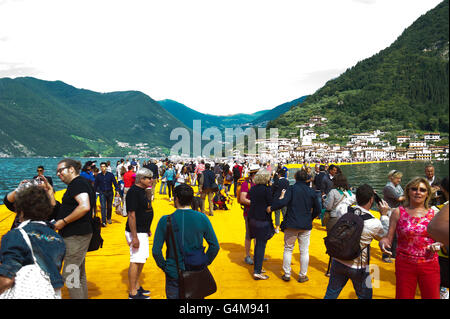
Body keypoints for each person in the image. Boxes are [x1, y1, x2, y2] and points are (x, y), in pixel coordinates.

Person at [152, 184, 220, 299]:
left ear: (176, 199)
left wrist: (165, 266)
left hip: (174, 271)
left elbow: (156, 251)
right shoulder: (202, 217)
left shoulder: (165, 220)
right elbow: (214, 246)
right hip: (196, 269)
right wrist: (205, 261)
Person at [379, 177, 443, 299]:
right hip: (404, 264)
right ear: (408, 191)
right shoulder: (398, 212)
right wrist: (383, 243)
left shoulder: (434, 214)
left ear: (428, 194)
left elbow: (443, 239)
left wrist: (439, 244)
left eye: (422, 190)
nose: (418, 192)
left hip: (430, 264)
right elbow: (388, 238)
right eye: (414, 189)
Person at [323, 184, 389, 299]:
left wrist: (357, 195)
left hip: (338, 260)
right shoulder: (374, 223)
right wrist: (384, 215)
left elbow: (344, 203)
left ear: (357, 197)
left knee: (331, 293)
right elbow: (385, 236)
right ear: (371, 200)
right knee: (365, 296)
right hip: (359, 267)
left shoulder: (344, 211)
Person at [0, 185, 66, 298]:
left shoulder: (16, 235)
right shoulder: (57, 238)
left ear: (20, 211)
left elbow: (7, 279)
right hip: (51, 294)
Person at [53, 158, 95, 299]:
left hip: (76, 236)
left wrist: (63, 222)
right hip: (78, 234)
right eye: (57, 172)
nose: (58, 174)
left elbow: (84, 206)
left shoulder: (77, 183)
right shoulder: (78, 184)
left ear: (71, 169)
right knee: (78, 274)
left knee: (70, 275)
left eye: (60, 170)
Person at [271, 169, 321, 283]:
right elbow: (318, 209)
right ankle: (302, 275)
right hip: (305, 224)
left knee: (288, 249)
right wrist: (310, 217)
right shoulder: (311, 191)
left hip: (292, 223)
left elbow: (283, 202)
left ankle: (287, 274)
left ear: (296, 177)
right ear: (307, 179)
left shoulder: (292, 189)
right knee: (304, 251)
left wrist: (272, 207)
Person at [125, 168, 154, 299]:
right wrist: (134, 236)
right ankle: (132, 292)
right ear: (141, 179)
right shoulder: (133, 192)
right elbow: (131, 215)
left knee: (141, 259)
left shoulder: (143, 191)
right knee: (136, 260)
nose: (151, 180)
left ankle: (136, 286)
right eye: (148, 178)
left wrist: (147, 227)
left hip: (143, 230)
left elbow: (144, 210)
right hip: (136, 232)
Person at [246, 169, 273, 280]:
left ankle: (258, 267)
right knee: (261, 245)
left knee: (258, 245)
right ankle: (257, 271)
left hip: (253, 218)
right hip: (262, 219)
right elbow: (271, 203)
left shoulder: (252, 189)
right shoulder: (267, 190)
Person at [382, 170, 405, 263]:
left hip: (396, 212)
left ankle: (393, 254)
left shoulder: (397, 186)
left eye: (400, 178)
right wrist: (409, 195)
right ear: (392, 178)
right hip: (390, 213)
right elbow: (399, 198)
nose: (399, 180)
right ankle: (386, 255)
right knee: (390, 234)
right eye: (398, 178)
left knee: (395, 235)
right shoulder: (388, 188)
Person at [239, 164, 260, 265]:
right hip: (249, 213)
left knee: (257, 235)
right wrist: (255, 203)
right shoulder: (246, 184)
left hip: (258, 213)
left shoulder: (259, 183)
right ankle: (247, 255)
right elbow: (243, 198)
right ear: (254, 174)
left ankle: (257, 254)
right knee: (249, 235)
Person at [94, 162, 119, 227]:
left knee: (109, 206)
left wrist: (117, 191)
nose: (102, 168)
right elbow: (95, 185)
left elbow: (115, 183)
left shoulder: (110, 175)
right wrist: (94, 192)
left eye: (104, 166)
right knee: (103, 207)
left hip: (110, 192)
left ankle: (108, 218)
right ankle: (104, 221)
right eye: (101, 166)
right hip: (102, 193)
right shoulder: (98, 176)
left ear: (106, 167)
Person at [272, 167, 289, 233]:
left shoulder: (277, 181)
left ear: (279, 174)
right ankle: (285, 227)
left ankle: (277, 227)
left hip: (277, 199)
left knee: (277, 214)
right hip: (284, 199)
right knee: (285, 213)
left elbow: (273, 190)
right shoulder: (287, 181)